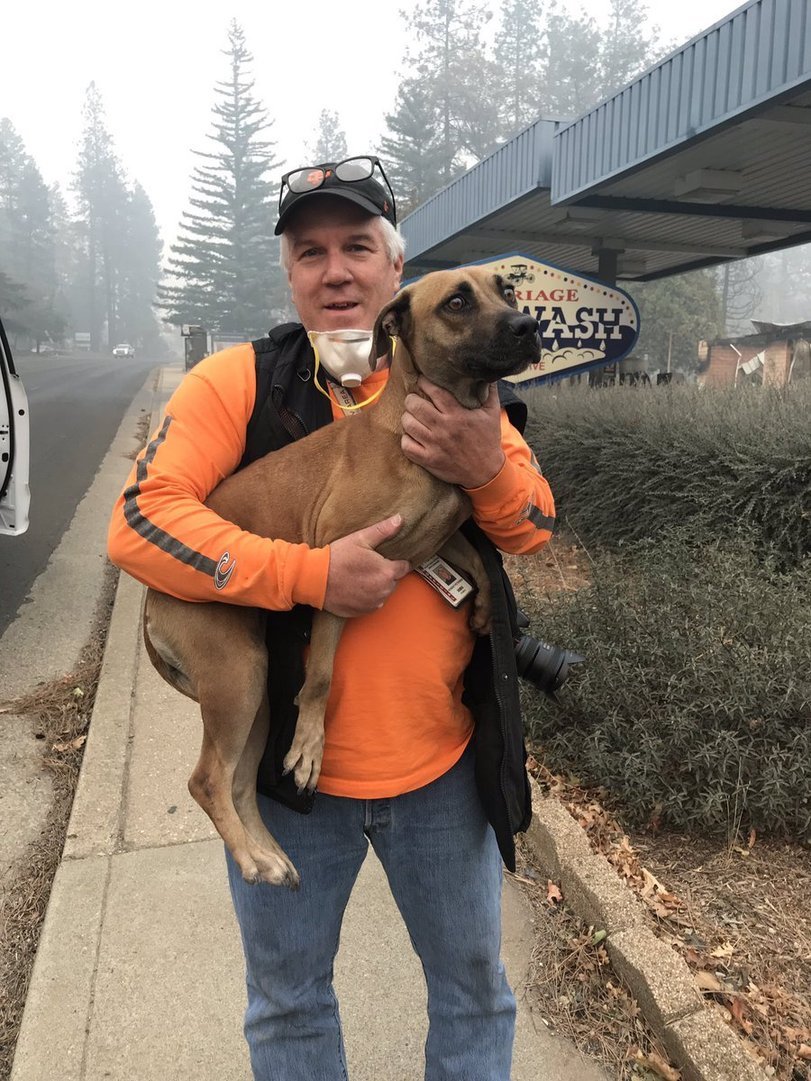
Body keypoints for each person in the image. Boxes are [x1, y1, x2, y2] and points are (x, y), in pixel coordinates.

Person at [107, 154, 556, 1081]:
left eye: (357, 245)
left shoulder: (459, 392)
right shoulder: (236, 382)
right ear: (289, 273)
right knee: (289, 1003)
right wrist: (310, 573)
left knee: (475, 993)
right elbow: (137, 526)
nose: (335, 269)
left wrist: (484, 462)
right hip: (290, 785)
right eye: (310, 252)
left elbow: (530, 528)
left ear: (396, 274)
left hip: (439, 770)